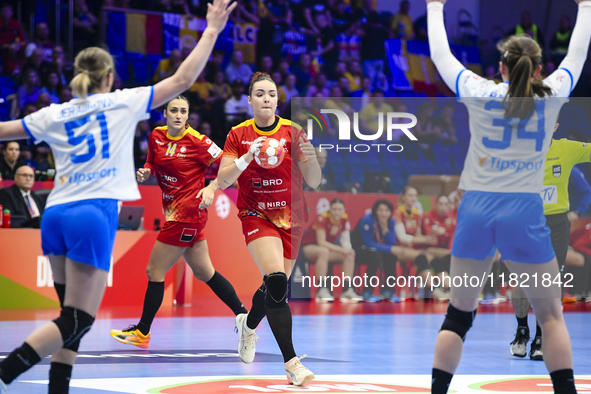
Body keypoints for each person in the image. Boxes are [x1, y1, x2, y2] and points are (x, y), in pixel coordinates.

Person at [0, 1, 236, 393]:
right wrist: (211, 29)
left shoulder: (53, 113)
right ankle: (7, 371)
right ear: (109, 76)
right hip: (91, 214)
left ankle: (57, 388)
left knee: (68, 316)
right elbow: (181, 80)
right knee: (77, 320)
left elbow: (5, 129)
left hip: (54, 212)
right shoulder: (122, 102)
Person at [427, 0, 591, 392]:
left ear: (500, 67)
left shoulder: (479, 90)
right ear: (539, 70)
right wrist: (584, 6)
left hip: (477, 208)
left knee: (457, 317)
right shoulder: (551, 93)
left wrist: (435, 7)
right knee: (551, 317)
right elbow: (578, 52)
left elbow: (440, 55)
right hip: (524, 208)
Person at [109, 95, 248, 348]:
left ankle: (142, 332)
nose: (178, 115)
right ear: (165, 113)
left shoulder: (199, 141)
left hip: (187, 214)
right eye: (173, 110)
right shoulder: (156, 136)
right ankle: (245, 318)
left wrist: (213, 187)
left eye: (183, 111)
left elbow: (227, 164)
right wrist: (146, 171)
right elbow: (151, 161)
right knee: (205, 272)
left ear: (188, 115)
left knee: (154, 270)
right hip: (175, 212)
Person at [216, 71, 321, 386]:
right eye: (259, 94)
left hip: (292, 217)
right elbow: (222, 180)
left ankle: (248, 325)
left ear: (278, 99)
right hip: (256, 213)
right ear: (249, 100)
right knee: (277, 282)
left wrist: (313, 159)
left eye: (271, 94)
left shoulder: (294, 132)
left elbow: (314, 181)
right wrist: (246, 158)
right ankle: (291, 363)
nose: (266, 99)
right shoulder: (237, 134)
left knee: (274, 289)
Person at [509, 123, 591, 361]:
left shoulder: (567, 149)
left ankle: (540, 338)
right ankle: (521, 331)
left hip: (555, 224)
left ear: (555, 126)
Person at [302, 198, 363, 303]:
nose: (337, 212)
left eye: (339, 209)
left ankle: (347, 290)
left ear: (343, 210)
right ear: (330, 209)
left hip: (326, 250)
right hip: (309, 248)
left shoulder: (344, 219)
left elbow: (345, 240)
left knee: (349, 254)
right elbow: (321, 242)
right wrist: (341, 250)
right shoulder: (323, 218)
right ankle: (321, 290)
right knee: (323, 251)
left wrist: (347, 250)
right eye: (334, 209)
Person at [393, 186, 442, 301]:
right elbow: (402, 237)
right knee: (421, 257)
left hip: (413, 249)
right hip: (400, 248)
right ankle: (435, 289)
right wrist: (425, 240)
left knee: (434, 259)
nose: (413, 198)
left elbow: (418, 236)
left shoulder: (416, 213)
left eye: (415, 195)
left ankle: (447, 288)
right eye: (410, 195)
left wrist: (429, 238)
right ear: (403, 197)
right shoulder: (397, 212)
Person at [351, 199, 403, 302]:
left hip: (377, 249)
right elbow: (368, 242)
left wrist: (385, 230)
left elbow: (391, 243)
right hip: (359, 248)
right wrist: (389, 248)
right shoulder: (367, 220)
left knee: (391, 256)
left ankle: (388, 290)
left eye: (387, 210)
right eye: (381, 210)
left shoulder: (391, 221)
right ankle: (367, 291)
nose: (384, 213)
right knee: (375, 256)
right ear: (375, 211)